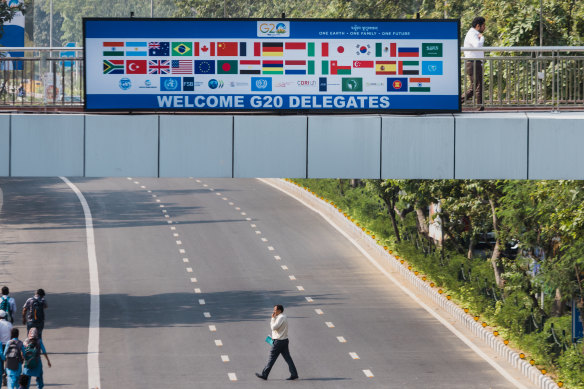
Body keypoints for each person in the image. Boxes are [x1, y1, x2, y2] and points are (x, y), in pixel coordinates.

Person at [256, 305, 298, 381]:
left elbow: (273, 327)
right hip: (283, 340)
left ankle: (264, 375)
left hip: (279, 342)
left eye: (275, 310)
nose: (274, 311)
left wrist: (272, 318)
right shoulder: (282, 316)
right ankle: (294, 374)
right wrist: (275, 317)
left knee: (271, 358)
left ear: (279, 310)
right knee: (288, 358)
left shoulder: (281, 317)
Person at [462, 17, 486, 111]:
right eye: (483, 25)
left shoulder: (474, 33)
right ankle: (480, 106)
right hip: (473, 62)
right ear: (478, 26)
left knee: (475, 86)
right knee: (477, 86)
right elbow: (477, 46)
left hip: (475, 62)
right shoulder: (473, 34)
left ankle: (456, 102)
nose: (484, 27)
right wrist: (482, 38)